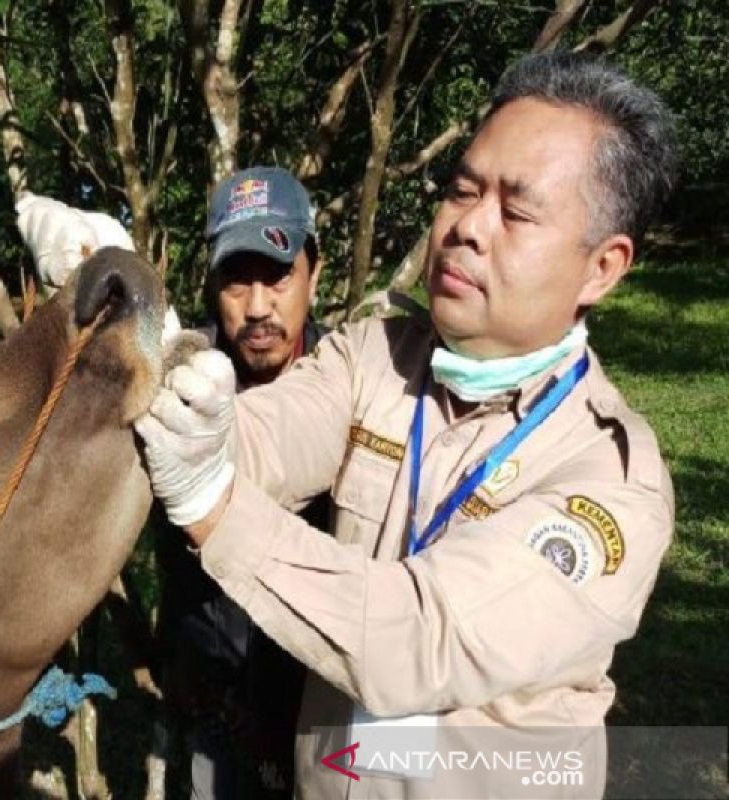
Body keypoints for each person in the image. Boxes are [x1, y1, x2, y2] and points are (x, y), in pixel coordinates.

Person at [134, 52, 678, 799]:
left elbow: (421, 637)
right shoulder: (375, 356)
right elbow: (258, 436)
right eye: (461, 190)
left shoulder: (610, 480)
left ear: (603, 268)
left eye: (516, 212)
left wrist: (210, 505)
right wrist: (152, 372)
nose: (466, 228)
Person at [152, 167, 326, 800]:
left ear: (314, 269)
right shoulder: (177, 380)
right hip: (212, 680)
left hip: (321, 693)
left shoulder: (353, 379)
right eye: (236, 279)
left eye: (276, 275)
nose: (257, 307)